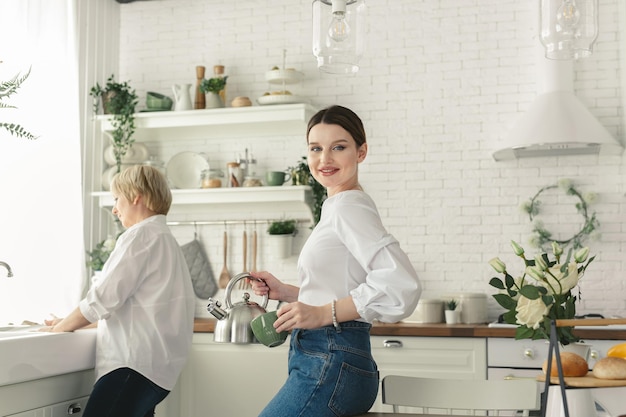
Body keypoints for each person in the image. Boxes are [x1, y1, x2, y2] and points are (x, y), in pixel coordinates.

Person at [249, 105, 421, 417]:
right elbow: (341, 285)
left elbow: (400, 284)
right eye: (316, 148)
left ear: (361, 152)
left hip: (331, 357)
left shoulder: (347, 207)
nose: (324, 159)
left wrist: (321, 313)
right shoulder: (338, 206)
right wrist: (289, 292)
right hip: (330, 358)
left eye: (338, 147)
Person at [42, 165, 195, 417]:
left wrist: (59, 328)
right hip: (156, 372)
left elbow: (101, 300)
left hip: (132, 367)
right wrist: (69, 321)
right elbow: (127, 310)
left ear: (136, 195)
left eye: (116, 198)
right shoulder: (165, 239)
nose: (114, 209)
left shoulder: (140, 236)